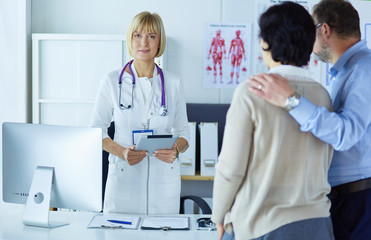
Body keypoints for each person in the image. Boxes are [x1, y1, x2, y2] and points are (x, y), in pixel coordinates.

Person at [248, 0, 371, 239]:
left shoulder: (364, 70)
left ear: (324, 30)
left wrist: (290, 100)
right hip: (340, 199)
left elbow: (346, 134)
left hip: (357, 201)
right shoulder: (346, 72)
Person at [211, 2, 334, 240]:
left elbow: (230, 170)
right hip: (317, 224)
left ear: (265, 43)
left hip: (263, 225)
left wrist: (218, 216)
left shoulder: (251, 92)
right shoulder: (322, 95)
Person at [90, 11, 190, 214]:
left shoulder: (173, 83)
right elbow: (95, 132)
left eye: (151, 36)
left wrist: (176, 150)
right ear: (130, 39)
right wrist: (122, 152)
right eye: (138, 35)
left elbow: (184, 133)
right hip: (124, 180)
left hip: (164, 185)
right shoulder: (111, 81)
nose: (144, 42)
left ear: (159, 41)